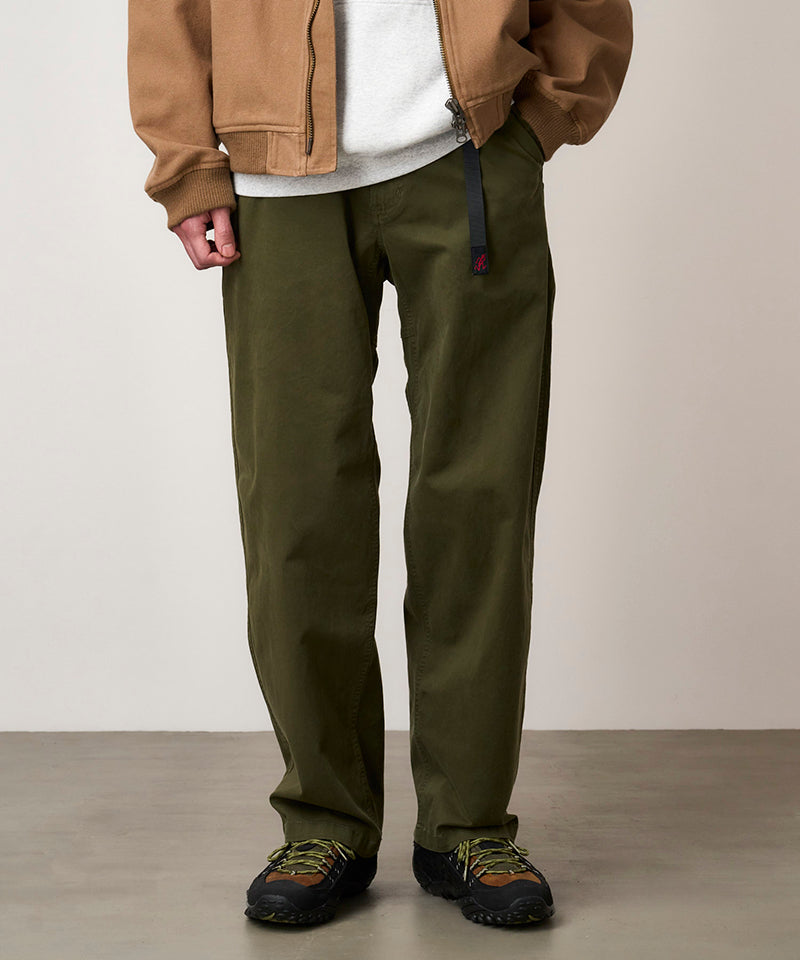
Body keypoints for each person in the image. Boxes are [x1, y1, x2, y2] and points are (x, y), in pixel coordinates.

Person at [127, 0, 633, 928]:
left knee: (478, 505)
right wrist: (189, 166)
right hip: (278, 187)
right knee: (296, 511)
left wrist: (541, 120)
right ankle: (324, 821)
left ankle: (467, 826)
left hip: (469, 159)